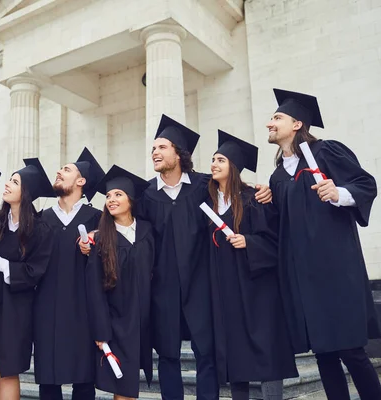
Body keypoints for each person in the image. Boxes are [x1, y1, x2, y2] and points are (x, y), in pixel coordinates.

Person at [135, 114, 272, 400]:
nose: (155, 153)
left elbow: (233, 194)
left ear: (179, 153)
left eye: (162, 147)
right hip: (164, 287)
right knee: (168, 356)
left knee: (207, 354)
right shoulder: (146, 193)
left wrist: (262, 189)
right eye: (153, 149)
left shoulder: (204, 186)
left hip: (203, 285)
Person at [267, 89, 381, 400]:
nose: (270, 123)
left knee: (351, 351)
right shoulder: (278, 177)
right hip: (304, 280)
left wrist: (339, 193)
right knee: (324, 355)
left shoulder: (326, 152)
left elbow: (365, 184)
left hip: (336, 272)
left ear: (296, 124)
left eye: (277, 117)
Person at [206, 130, 297, 400]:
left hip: (258, 290)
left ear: (233, 167)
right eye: (213, 159)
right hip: (228, 290)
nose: (214, 164)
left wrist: (250, 242)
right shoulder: (209, 205)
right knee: (236, 355)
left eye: (220, 160)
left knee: (268, 350)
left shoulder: (253, 199)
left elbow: (275, 241)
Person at [0, 158, 55, 400]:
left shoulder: (40, 230)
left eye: (14, 182)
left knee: (8, 370)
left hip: (18, 308)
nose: (7, 184)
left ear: (25, 192)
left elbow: (35, 272)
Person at [33, 148, 105, 400]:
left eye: (66, 169)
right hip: (46, 308)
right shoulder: (41, 218)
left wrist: (98, 245)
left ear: (81, 181)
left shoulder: (99, 219)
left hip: (83, 309)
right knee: (48, 382)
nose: (58, 172)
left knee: (83, 379)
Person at [85, 165, 154, 400]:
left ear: (131, 200)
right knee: (123, 387)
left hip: (142, 319)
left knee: (130, 385)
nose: (111, 200)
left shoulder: (147, 231)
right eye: (108, 196)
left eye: (118, 194)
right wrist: (101, 329)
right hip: (116, 322)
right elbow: (94, 288)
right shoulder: (102, 238)